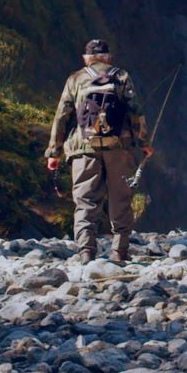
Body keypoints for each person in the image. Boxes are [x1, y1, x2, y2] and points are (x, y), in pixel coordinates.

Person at [45, 39, 150, 262]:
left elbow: (61, 117)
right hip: (119, 149)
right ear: (108, 56)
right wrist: (143, 143)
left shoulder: (75, 79)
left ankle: (86, 252)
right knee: (120, 199)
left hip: (82, 148)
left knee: (85, 201)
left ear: (87, 58)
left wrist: (53, 153)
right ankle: (119, 252)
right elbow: (135, 112)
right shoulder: (121, 77)